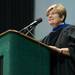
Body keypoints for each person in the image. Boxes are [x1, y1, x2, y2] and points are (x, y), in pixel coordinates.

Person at [41, 3, 75, 75]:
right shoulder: (47, 37)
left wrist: (59, 50)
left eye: (53, 13)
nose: (50, 16)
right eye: (48, 15)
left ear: (62, 17)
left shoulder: (70, 30)